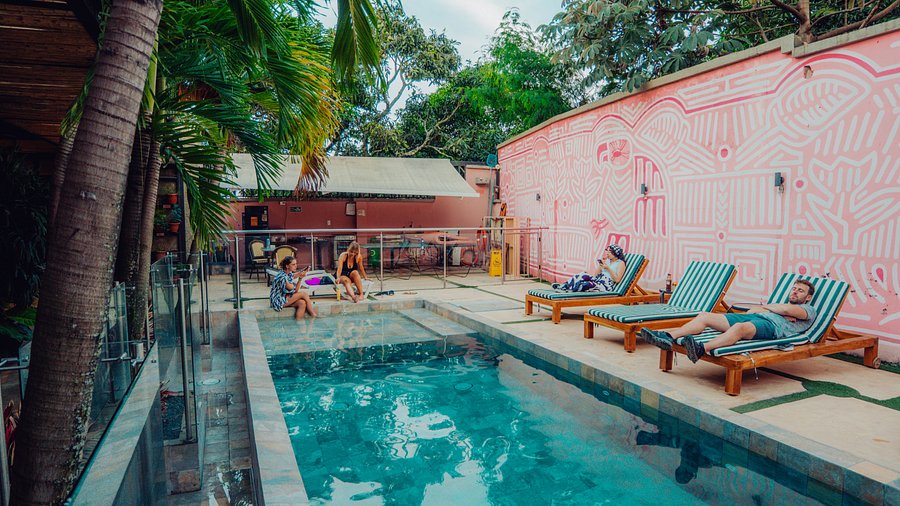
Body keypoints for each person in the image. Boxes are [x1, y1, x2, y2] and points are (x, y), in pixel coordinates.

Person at [641, 279, 817, 363]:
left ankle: (701, 349)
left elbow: (786, 309)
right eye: (793, 288)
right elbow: (753, 310)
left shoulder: (809, 310)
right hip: (754, 317)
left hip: (771, 327)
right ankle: (666, 336)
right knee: (705, 316)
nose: (794, 292)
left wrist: (773, 309)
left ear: (808, 297)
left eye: (800, 291)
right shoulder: (779, 306)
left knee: (740, 328)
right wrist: (772, 308)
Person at [552, 244, 627, 292]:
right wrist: (601, 265)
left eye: (609, 252)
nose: (607, 253)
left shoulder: (620, 263)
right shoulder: (607, 261)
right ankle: (563, 286)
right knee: (582, 275)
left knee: (586, 284)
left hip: (606, 285)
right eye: (607, 251)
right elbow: (595, 275)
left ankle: (568, 290)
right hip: (598, 280)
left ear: (616, 254)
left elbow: (617, 280)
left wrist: (608, 268)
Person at [269, 255, 317, 320]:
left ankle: (299, 324)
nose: (296, 266)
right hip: (278, 300)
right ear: (287, 266)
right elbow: (295, 291)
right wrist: (300, 279)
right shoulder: (283, 278)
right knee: (303, 294)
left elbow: (295, 275)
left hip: (284, 297)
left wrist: (303, 271)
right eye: (293, 264)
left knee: (302, 303)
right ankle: (313, 315)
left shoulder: (287, 273)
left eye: (296, 264)